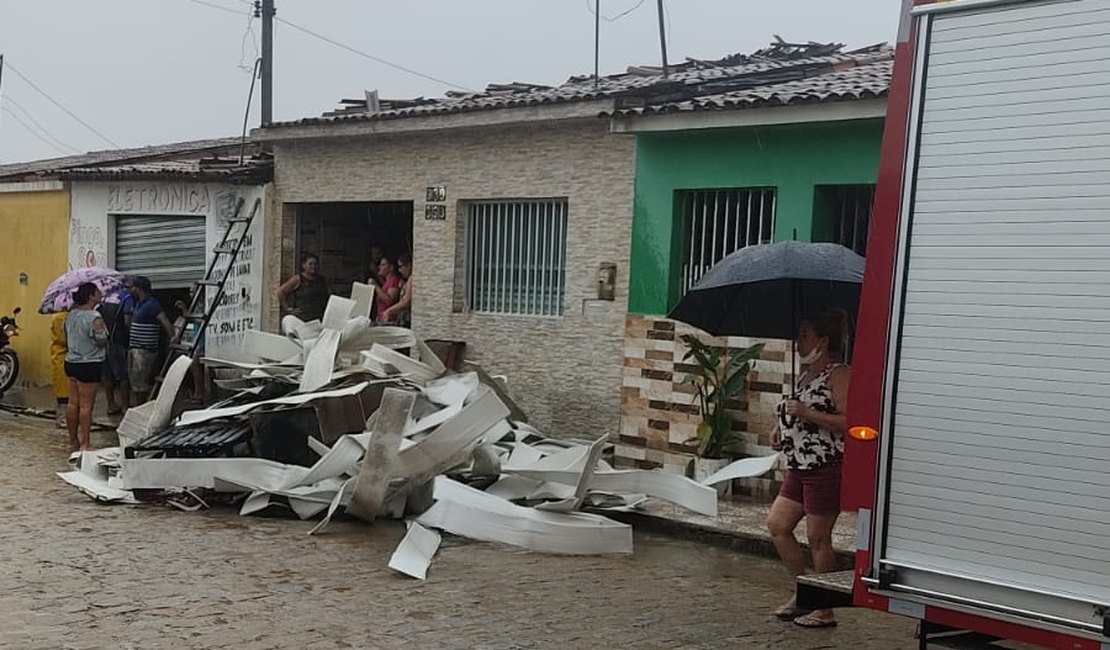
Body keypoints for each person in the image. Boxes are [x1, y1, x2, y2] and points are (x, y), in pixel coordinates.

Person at [766, 308, 852, 629]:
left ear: (823, 340)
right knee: (778, 526)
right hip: (798, 467)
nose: (798, 343)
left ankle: (824, 607)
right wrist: (782, 427)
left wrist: (806, 413)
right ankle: (806, 591)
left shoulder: (839, 374)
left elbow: (849, 422)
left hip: (825, 468)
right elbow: (797, 414)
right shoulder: (805, 375)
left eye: (804, 336)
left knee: (818, 539)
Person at [64, 283, 108, 452]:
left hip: (71, 363)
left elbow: (66, 334)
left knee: (73, 403)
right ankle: (85, 444)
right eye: (98, 292)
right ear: (90, 296)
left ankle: (73, 442)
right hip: (89, 364)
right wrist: (104, 335)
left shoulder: (71, 315)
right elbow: (100, 340)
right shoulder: (94, 317)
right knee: (86, 405)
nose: (100, 294)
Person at [125, 276, 175, 405]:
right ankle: (139, 406)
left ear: (138, 288)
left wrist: (173, 338)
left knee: (141, 384)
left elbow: (164, 320)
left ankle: (143, 407)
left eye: (133, 287)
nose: (131, 290)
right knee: (135, 382)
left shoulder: (152, 304)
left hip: (144, 350)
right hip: (135, 348)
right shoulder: (137, 303)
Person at [98, 285, 133, 416]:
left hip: (104, 342)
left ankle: (111, 404)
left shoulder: (104, 298)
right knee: (123, 375)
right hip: (118, 341)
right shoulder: (126, 298)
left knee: (107, 375)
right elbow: (127, 321)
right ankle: (125, 405)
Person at [277, 253, 330, 322]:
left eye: (315, 264)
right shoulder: (298, 279)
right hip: (302, 318)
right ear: (303, 265)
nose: (313, 266)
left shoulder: (321, 280)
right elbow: (280, 292)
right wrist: (287, 309)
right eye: (310, 264)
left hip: (318, 318)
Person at [49, 312, 69, 429]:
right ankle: (62, 418)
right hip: (61, 356)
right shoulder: (60, 317)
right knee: (63, 393)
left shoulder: (65, 316)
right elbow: (63, 338)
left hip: (64, 356)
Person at [381, 254, 412, 327]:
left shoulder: (412, 279)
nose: (399, 270)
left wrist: (389, 310)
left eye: (401, 267)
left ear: (409, 266)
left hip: (407, 318)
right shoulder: (406, 281)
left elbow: (406, 301)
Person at [371, 256, 402, 323]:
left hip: (389, 321)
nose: (380, 267)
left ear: (391, 267)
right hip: (381, 319)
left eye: (383, 265)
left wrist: (375, 285)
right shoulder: (386, 282)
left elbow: (389, 300)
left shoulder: (393, 280)